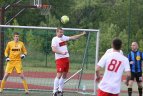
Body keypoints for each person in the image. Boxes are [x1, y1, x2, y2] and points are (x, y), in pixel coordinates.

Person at [51, 27, 86, 96]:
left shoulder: (63, 37)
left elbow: (73, 37)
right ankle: (54, 91)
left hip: (66, 58)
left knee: (64, 75)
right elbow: (53, 49)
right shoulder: (54, 39)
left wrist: (82, 34)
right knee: (59, 75)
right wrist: (61, 52)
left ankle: (60, 90)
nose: (61, 33)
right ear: (57, 32)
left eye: (62, 32)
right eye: (60, 32)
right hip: (60, 59)